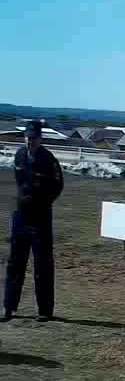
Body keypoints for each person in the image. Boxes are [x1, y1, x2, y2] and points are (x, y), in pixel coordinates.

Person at [4, 120, 64, 322]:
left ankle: (45, 311)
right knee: (15, 263)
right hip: (21, 216)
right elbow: (19, 179)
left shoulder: (49, 159)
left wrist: (42, 202)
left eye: (34, 138)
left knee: (43, 264)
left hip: (40, 218)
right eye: (28, 138)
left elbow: (57, 185)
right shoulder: (20, 154)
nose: (30, 141)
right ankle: (9, 307)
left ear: (40, 138)